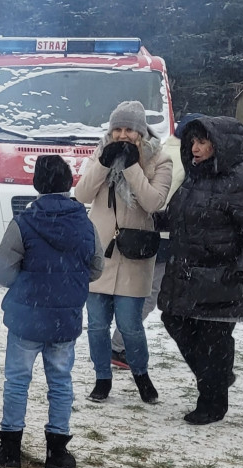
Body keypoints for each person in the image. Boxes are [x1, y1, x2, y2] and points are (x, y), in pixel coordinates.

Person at [0, 156, 104, 468]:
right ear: (69, 184)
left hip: (27, 319)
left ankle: (10, 448)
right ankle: (57, 453)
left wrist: (29, 282)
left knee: (17, 380)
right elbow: (96, 269)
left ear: (37, 185)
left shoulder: (23, 223)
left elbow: (3, 272)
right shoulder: (86, 223)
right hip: (65, 319)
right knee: (61, 382)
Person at [158, 116, 243, 425]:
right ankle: (218, 379)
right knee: (174, 319)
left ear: (220, 144)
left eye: (202, 142)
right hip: (189, 274)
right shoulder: (196, 176)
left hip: (226, 276)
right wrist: (158, 224)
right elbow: (187, 215)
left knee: (214, 340)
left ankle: (212, 403)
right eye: (192, 141)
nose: (194, 148)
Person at [74, 101, 172, 404]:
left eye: (129, 129)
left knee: (130, 325)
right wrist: (104, 164)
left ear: (140, 131)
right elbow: (81, 195)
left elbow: (154, 202)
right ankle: (102, 378)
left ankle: (141, 374)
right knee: (97, 325)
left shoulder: (160, 159)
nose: (122, 135)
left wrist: (132, 167)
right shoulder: (100, 153)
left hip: (135, 255)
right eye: (117, 129)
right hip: (100, 252)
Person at [110, 113, 203, 369]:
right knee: (148, 295)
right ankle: (118, 347)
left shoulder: (164, 150)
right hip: (163, 238)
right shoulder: (184, 161)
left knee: (142, 293)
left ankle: (118, 344)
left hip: (147, 235)